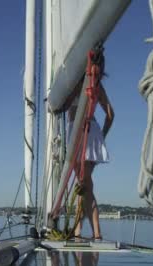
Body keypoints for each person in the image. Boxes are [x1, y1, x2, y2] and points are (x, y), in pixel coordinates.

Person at [59, 65, 114, 241]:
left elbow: (63, 106)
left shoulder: (76, 84)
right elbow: (110, 115)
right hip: (92, 132)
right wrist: (101, 136)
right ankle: (82, 231)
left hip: (78, 133)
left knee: (85, 186)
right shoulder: (97, 85)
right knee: (85, 185)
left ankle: (93, 232)